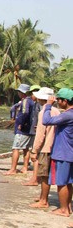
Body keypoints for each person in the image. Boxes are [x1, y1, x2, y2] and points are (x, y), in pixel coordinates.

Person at [42, 88, 73, 217]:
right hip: (69, 153)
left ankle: (63, 209)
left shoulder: (67, 115)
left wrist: (48, 106)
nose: (58, 102)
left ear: (65, 101)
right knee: (69, 182)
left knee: (61, 182)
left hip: (62, 153)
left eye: (59, 100)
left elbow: (46, 121)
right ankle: (68, 206)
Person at [28, 87, 59, 208]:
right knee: (46, 174)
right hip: (53, 145)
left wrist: (34, 150)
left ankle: (43, 200)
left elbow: (41, 134)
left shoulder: (43, 112)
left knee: (44, 175)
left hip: (46, 147)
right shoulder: (56, 111)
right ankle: (42, 197)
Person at [4, 84, 34, 175]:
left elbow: (25, 113)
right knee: (26, 148)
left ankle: (13, 169)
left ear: (23, 93)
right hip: (30, 129)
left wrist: (21, 123)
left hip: (23, 129)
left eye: (19, 92)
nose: (18, 94)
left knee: (16, 148)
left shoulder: (25, 101)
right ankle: (25, 167)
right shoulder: (32, 101)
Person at [22, 84, 42, 185]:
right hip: (35, 130)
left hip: (38, 132)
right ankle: (36, 177)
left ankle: (35, 179)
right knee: (35, 154)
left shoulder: (40, 105)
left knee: (35, 155)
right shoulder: (36, 104)